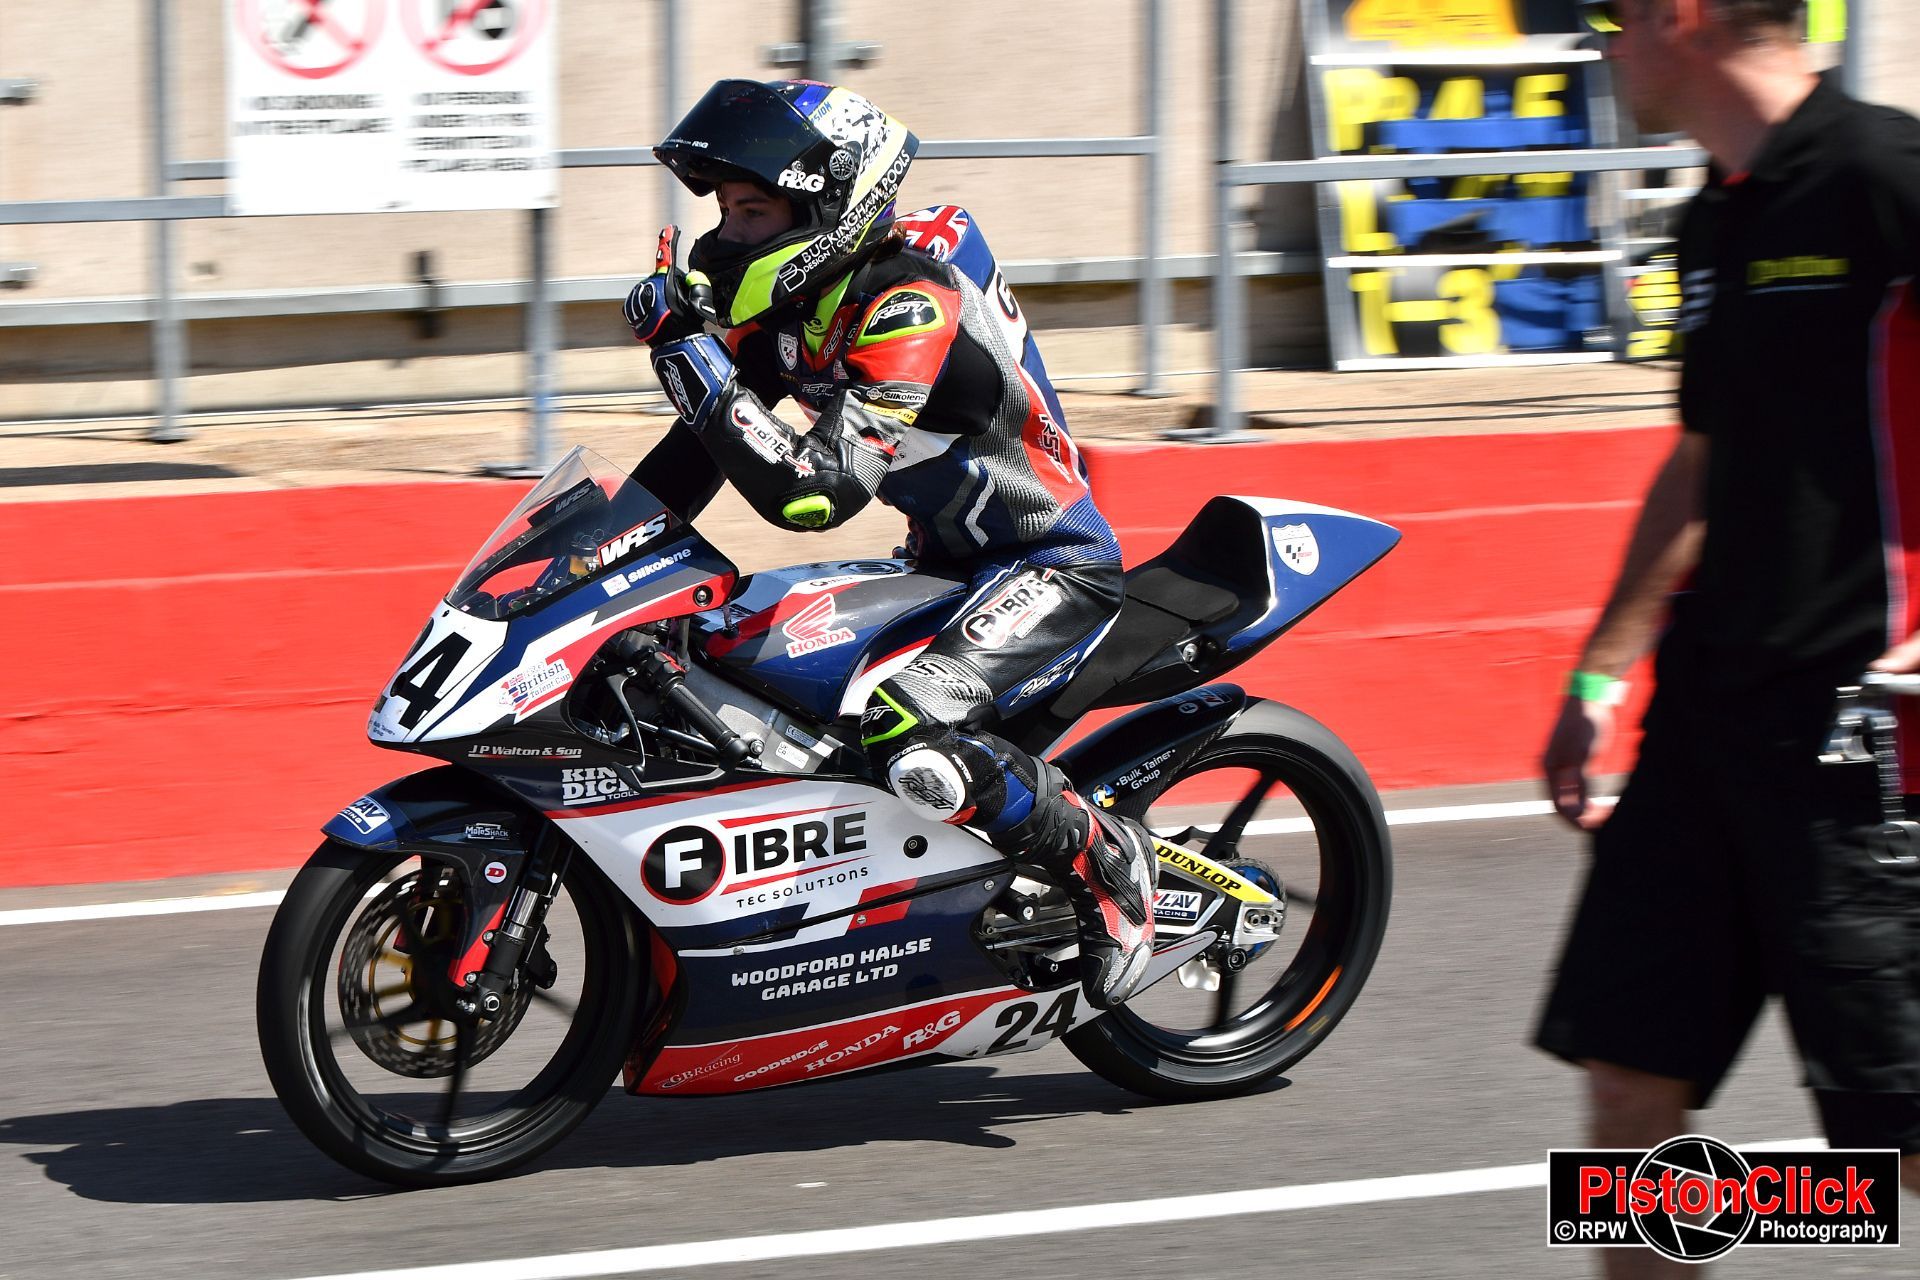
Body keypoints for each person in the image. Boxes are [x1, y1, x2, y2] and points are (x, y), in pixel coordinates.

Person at [620, 78, 1158, 1009]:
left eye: (755, 210)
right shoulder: (799, 305)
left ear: (827, 207)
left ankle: (1109, 868)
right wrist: (603, 554)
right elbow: (700, 455)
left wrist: (689, 355)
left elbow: (812, 497)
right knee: (724, 657)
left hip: (1047, 562)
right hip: (939, 564)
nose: (727, 235)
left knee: (909, 726)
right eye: (727, 211)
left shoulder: (910, 302)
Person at [1538, 0, 1920, 1254]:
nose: (1599, 50)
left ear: (1682, 16)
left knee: (1896, 1146)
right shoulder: (1713, 212)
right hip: (1706, 723)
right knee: (1628, 1100)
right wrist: (1602, 667)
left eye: (1607, 20)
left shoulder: (1883, 175)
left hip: (1859, 736)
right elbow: (1701, 464)